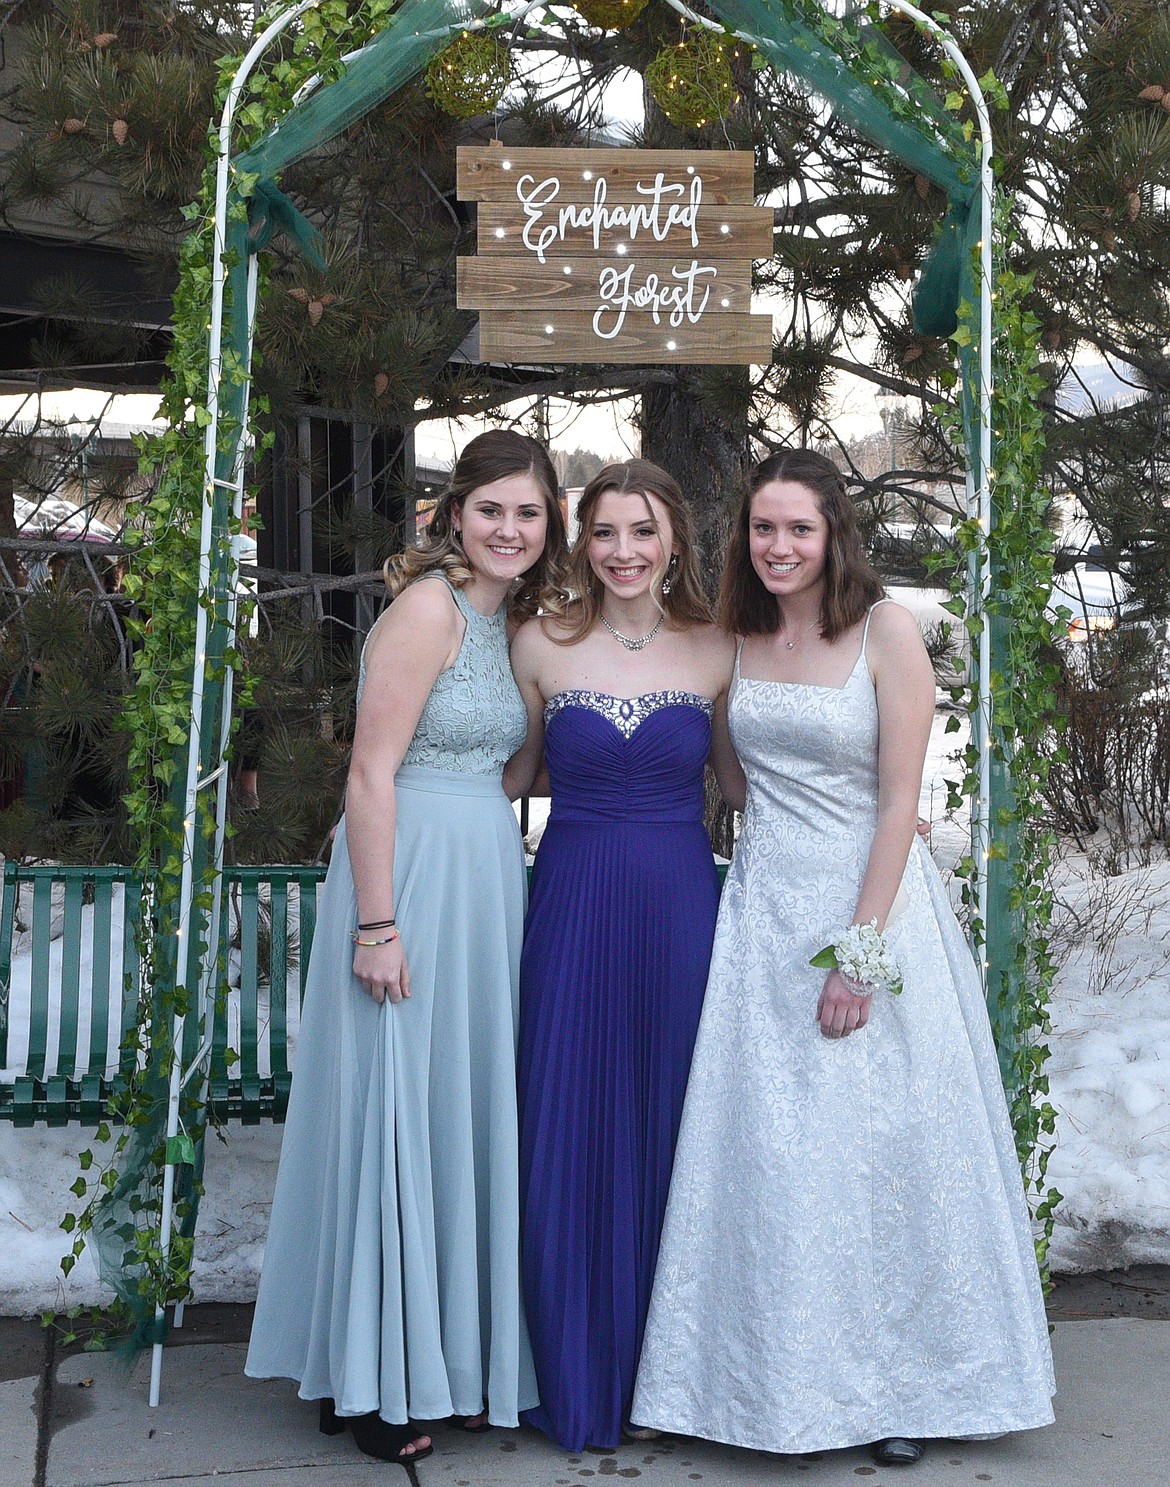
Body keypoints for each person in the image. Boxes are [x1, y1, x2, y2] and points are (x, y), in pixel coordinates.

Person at [631, 449, 1055, 1466]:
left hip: (869, 907)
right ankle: (746, 1376)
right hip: (765, 910)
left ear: (834, 536)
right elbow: (733, 780)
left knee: (870, 1153)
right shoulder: (740, 636)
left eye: (799, 530)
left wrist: (859, 954)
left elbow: (902, 805)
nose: (779, 547)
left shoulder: (885, 632)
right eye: (763, 530)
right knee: (767, 1151)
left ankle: (895, 1386)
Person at [245, 430, 568, 1465]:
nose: (510, 529)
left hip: (482, 867)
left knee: (450, 1108)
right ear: (452, 514)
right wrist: (377, 922)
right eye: (492, 510)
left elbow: (514, 773)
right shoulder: (426, 610)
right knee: (394, 1102)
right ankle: (373, 1377)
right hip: (408, 875)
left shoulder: (510, 619)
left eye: (529, 513)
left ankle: (425, 1356)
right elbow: (369, 774)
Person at [505, 459, 738, 1453]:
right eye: (604, 532)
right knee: (568, 1109)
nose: (624, 551)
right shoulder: (539, 643)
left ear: (675, 538)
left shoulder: (720, 646)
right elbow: (505, 775)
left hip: (682, 903)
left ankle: (672, 1375)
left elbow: (745, 783)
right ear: (580, 541)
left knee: (676, 1114)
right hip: (571, 900)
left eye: (643, 530)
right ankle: (568, 1367)